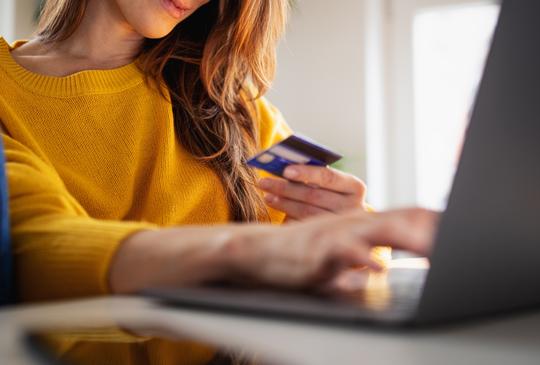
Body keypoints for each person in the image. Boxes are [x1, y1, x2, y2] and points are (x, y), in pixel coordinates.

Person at [0, 0, 436, 302]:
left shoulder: (226, 101)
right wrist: (238, 255)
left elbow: (355, 257)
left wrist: (349, 225)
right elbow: (33, 249)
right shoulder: (7, 94)